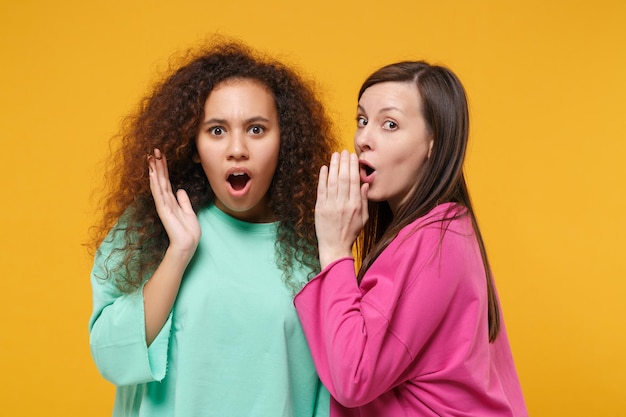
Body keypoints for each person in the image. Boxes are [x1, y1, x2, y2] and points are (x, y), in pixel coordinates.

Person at [88, 39, 337, 416]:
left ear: (283, 141)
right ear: (193, 144)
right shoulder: (157, 225)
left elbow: (330, 394)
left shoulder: (316, 246)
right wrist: (179, 253)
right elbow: (112, 357)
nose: (237, 148)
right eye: (217, 131)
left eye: (256, 129)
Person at [294, 61, 528, 416]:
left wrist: (335, 249)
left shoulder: (433, 239)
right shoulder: (449, 229)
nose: (363, 139)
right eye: (362, 120)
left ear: (434, 144)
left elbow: (352, 378)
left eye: (390, 125)